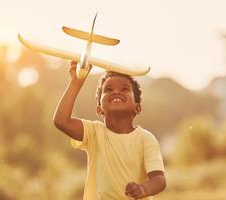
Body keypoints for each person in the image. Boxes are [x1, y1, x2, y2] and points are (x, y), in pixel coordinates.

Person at [53, 61, 166, 200]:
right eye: (108, 90)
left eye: (124, 89)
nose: (116, 92)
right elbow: (61, 121)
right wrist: (76, 82)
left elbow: (159, 180)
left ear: (137, 107)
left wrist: (143, 189)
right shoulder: (94, 132)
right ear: (99, 108)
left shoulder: (146, 138)